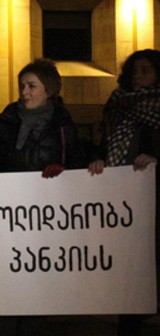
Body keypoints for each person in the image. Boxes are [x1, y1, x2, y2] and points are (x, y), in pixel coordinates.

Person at [0, 58, 86, 336]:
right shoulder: (4, 122)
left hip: (44, 223)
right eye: (22, 86)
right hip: (8, 220)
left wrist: (64, 172)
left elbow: (78, 167)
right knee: (6, 283)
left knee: (36, 287)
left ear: (49, 90)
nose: (24, 92)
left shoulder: (64, 127)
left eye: (32, 86)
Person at [88, 49, 160, 336]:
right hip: (123, 197)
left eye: (146, 70)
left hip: (154, 195)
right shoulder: (116, 105)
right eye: (134, 71)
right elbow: (103, 142)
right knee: (128, 257)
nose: (138, 76)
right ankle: (129, 315)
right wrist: (99, 159)